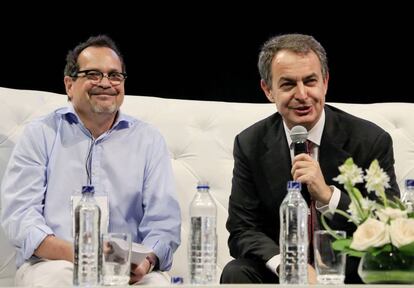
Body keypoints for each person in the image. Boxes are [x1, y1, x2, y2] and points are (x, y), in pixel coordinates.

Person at [0, 35, 181, 286]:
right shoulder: (40, 134)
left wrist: (147, 261)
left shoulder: (149, 140)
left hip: (127, 271)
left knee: (157, 284)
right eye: (93, 74)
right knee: (54, 280)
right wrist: (80, 256)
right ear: (69, 84)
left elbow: (164, 222)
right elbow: (20, 216)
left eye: (114, 75)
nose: (106, 83)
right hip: (55, 264)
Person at [220, 33, 400, 284]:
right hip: (281, 270)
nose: (302, 94)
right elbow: (242, 229)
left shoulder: (369, 140)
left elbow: (389, 222)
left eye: (310, 81)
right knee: (236, 271)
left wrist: (328, 195)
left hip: (350, 268)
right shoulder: (250, 143)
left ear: (325, 82)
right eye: (288, 84)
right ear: (268, 90)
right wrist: (288, 266)